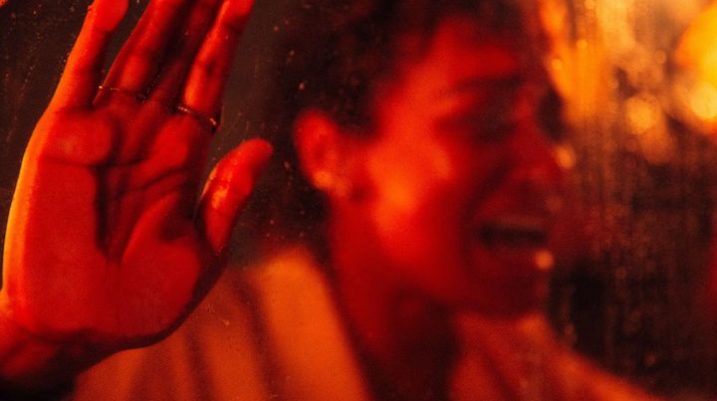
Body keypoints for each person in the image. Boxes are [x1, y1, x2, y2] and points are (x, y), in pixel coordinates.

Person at [0, 0, 664, 399]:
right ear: (329, 154)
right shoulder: (177, 356)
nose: (549, 165)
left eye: (550, 122)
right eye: (485, 119)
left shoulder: (513, 360)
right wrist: (34, 351)